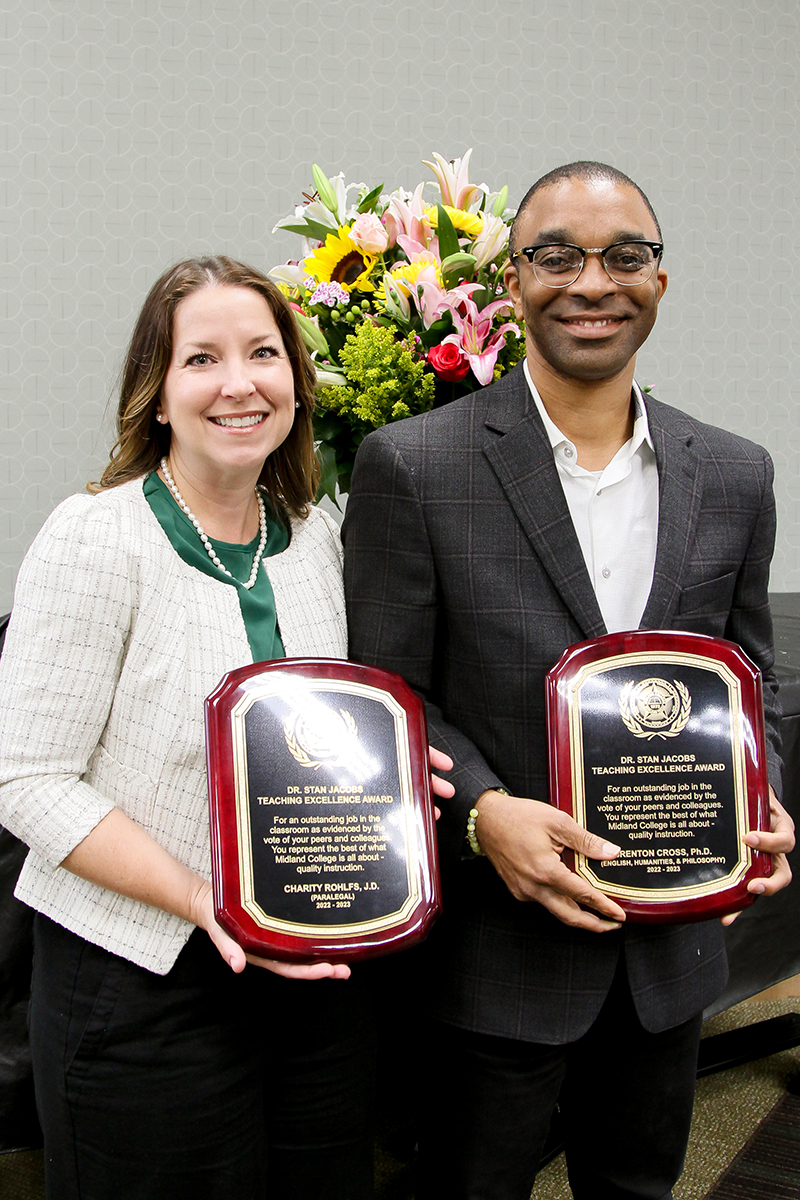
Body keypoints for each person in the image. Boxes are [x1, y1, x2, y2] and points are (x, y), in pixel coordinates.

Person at [343, 163, 795, 1199]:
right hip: (493, 954)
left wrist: (754, 792)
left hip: (669, 948)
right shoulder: (413, 466)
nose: (591, 281)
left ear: (658, 283)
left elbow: (750, 680)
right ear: (512, 282)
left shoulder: (734, 473)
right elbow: (384, 694)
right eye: (558, 255)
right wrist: (481, 815)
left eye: (622, 256)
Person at [0, 255, 451, 1200]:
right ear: (157, 395)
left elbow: (325, 726)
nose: (239, 382)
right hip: (142, 973)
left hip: (319, 974)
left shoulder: (318, 533)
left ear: (295, 382)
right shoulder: (95, 537)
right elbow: (28, 780)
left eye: (262, 354)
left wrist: (397, 776)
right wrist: (207, 900)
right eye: (200, 359)